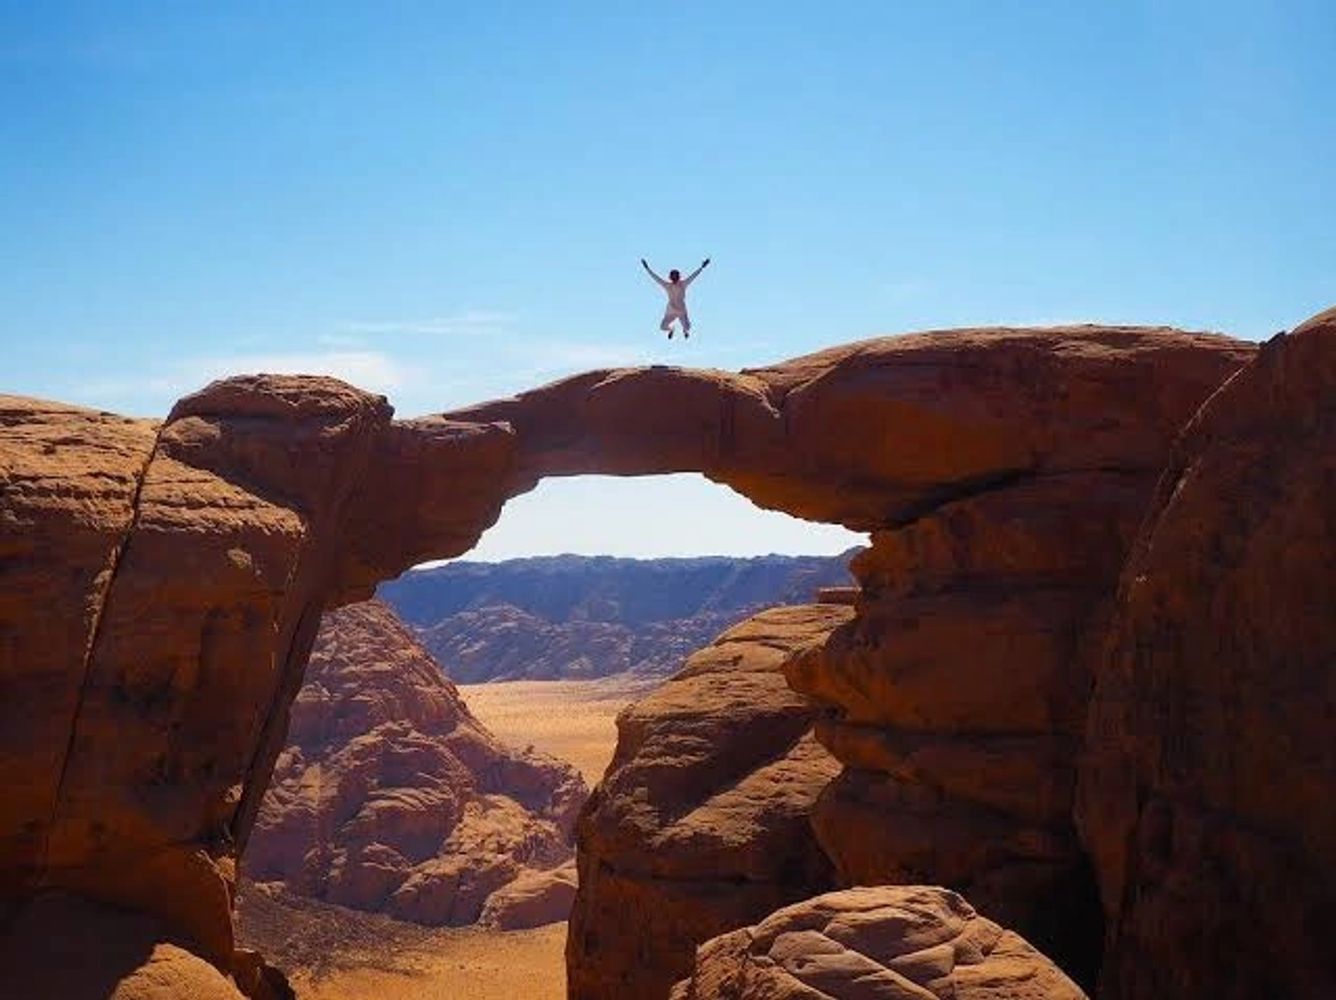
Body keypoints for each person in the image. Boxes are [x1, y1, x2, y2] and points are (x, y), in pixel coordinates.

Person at [641, 257, 709, 338]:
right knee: (662, 327)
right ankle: (671, 329)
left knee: (687, 327)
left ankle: (685, 331)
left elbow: (693, 277)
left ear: (678, 277)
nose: (674, 278)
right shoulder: (667, 286)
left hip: (681, 311)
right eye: (673, 276)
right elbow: (656, 278)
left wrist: (701, 268)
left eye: (675, 276)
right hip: (671, 311)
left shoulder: (683, 284)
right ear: (670, 277)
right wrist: (647, 268)